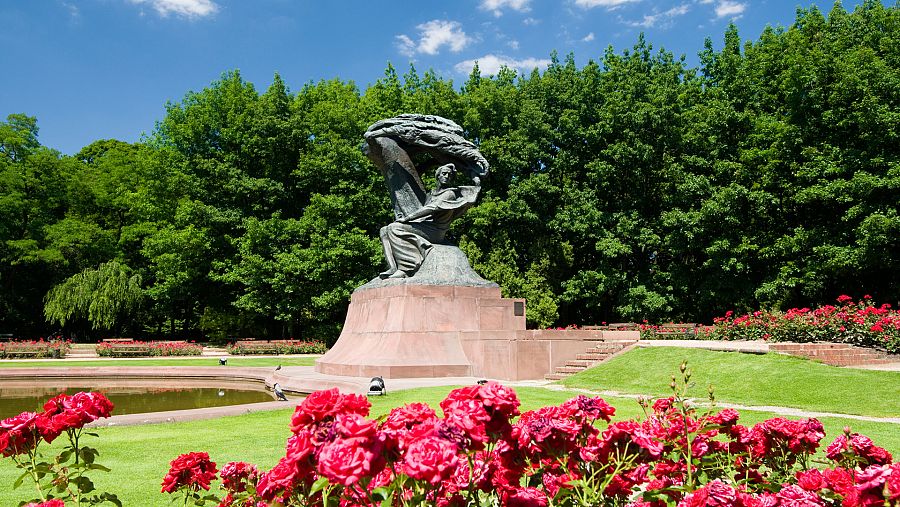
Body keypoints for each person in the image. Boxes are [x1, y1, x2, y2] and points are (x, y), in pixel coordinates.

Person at [378, 163, 481, 279]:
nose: (446, 176)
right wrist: (405, 221)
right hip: (426, 226)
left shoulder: (449, 194)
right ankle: (392, 267)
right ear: (438, 175)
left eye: (449, 175)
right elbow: (424, 216)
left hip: (436, 231)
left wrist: (407, 219)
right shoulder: (431, 194)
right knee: (384, 230)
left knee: (394, 228)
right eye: (444, 173)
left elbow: (432, 208)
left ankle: (406, 268)